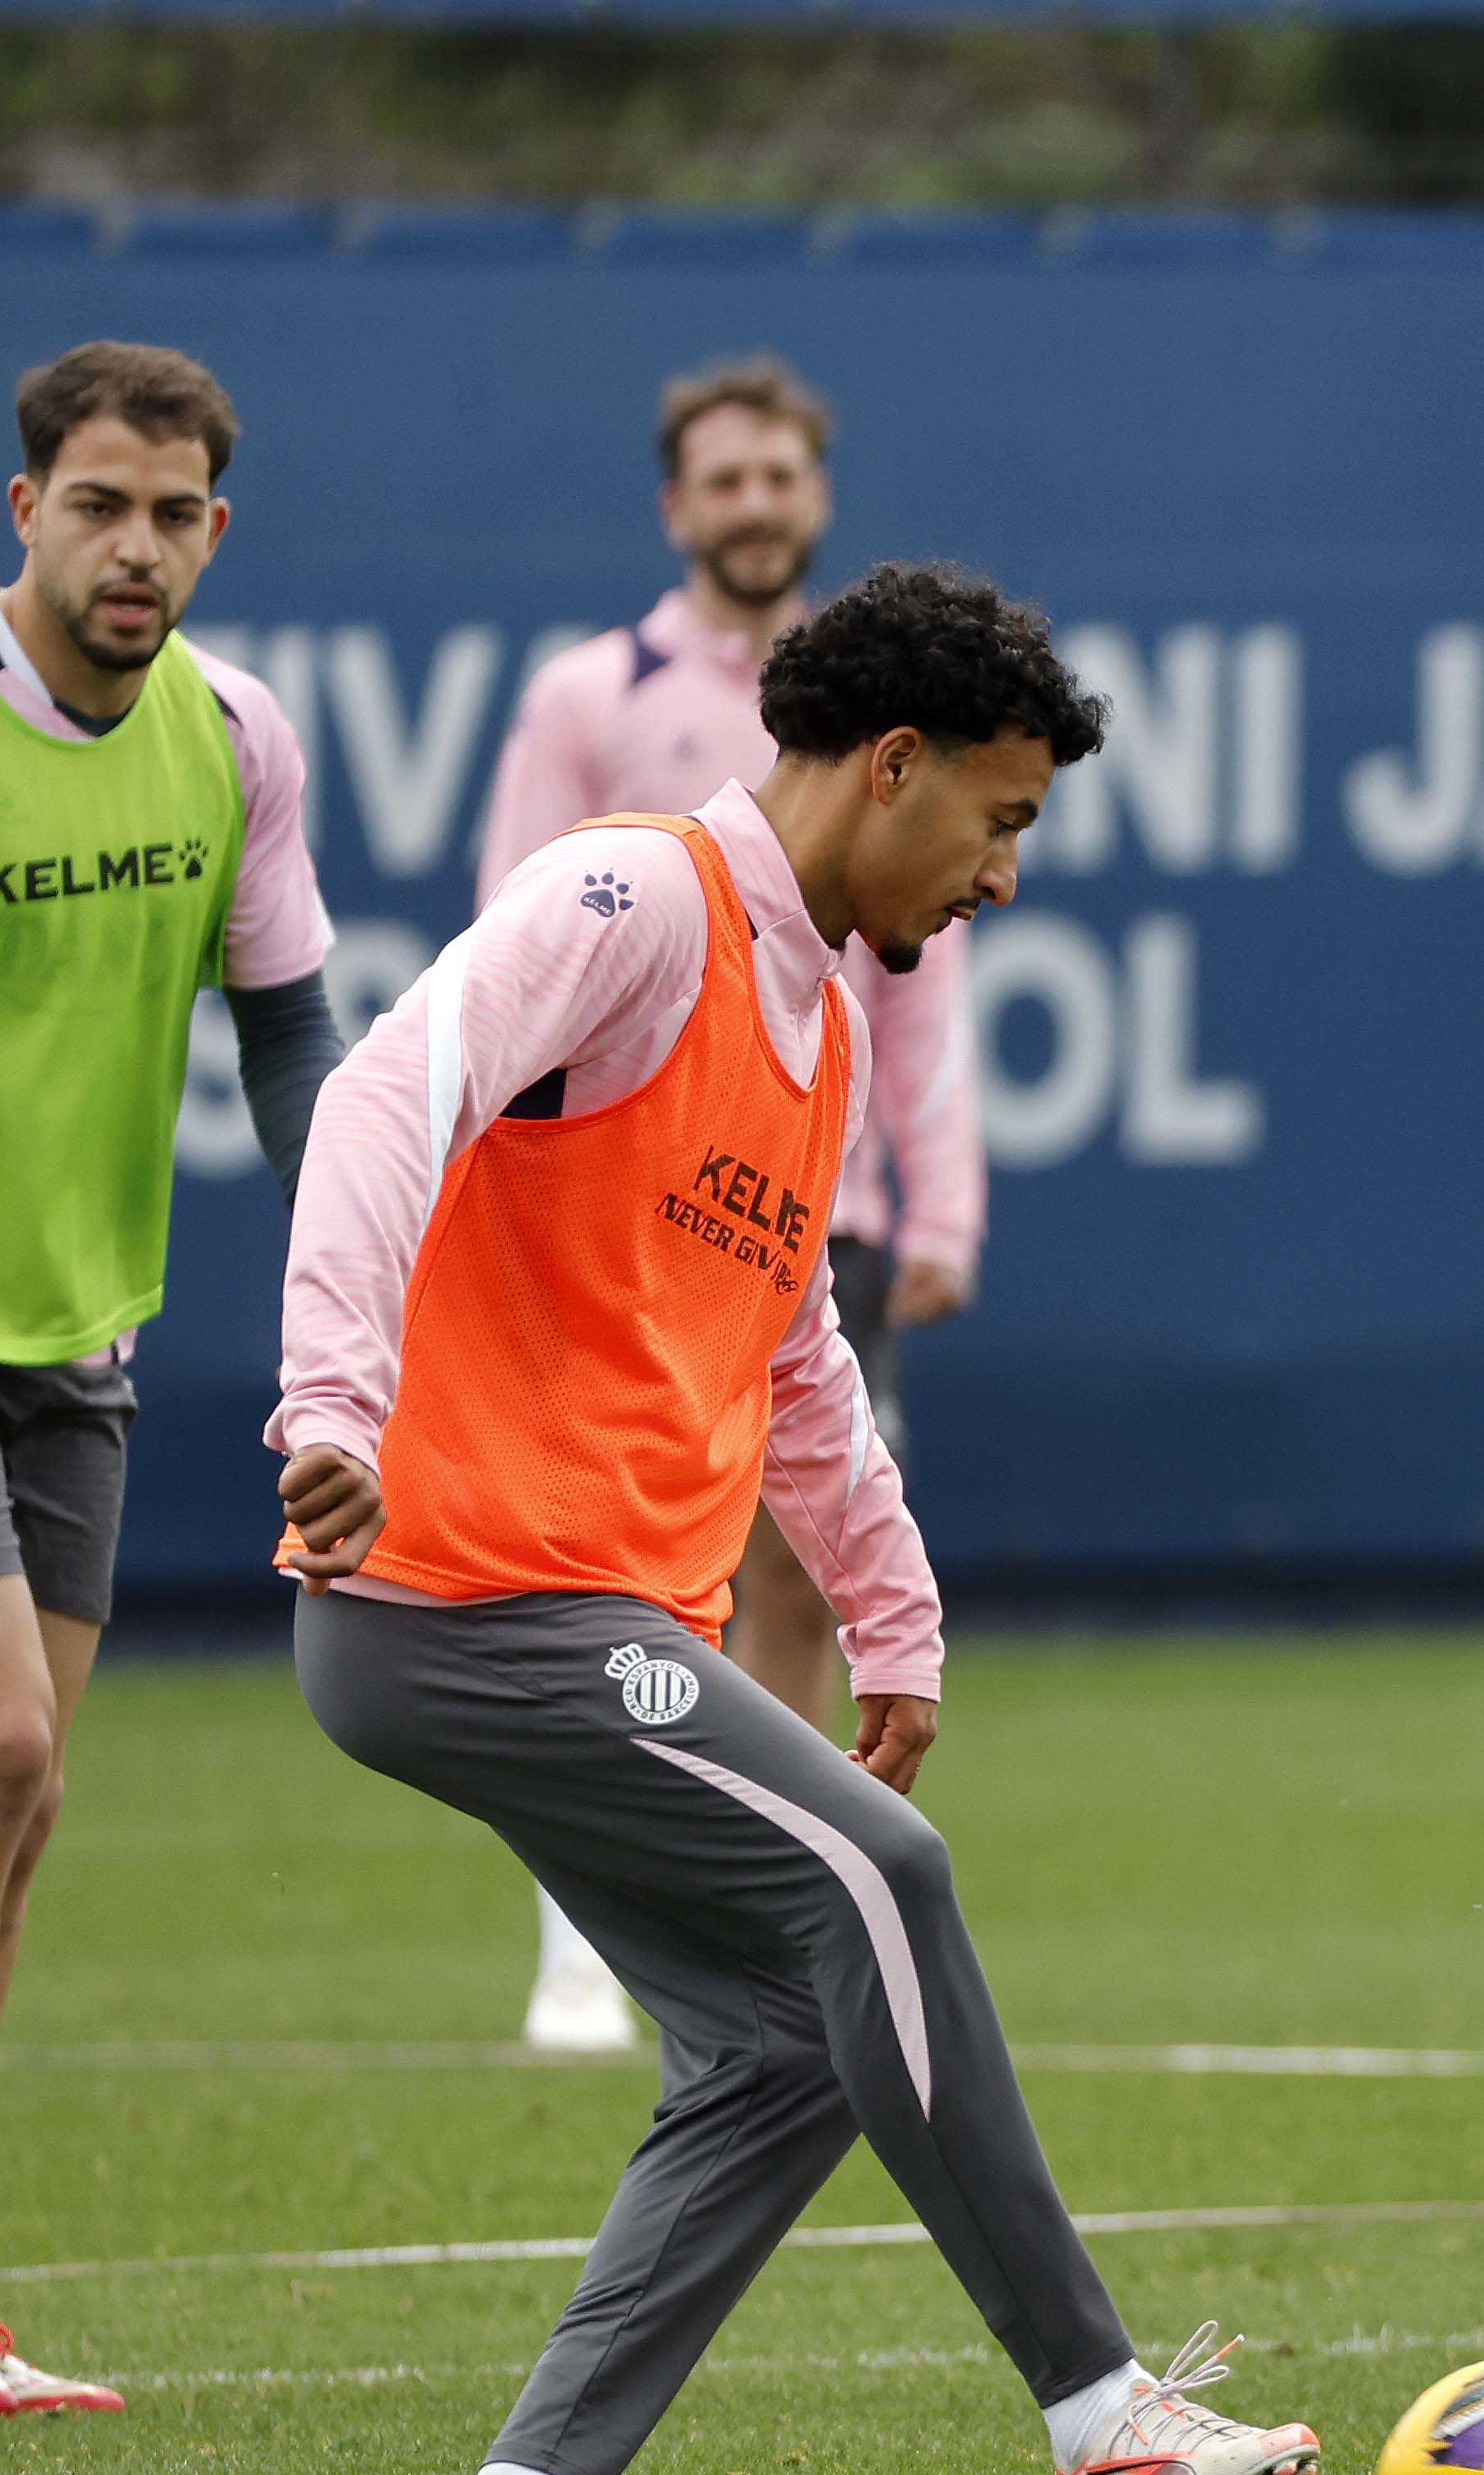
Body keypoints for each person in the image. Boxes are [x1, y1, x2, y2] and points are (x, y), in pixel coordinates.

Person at [273, 563, 1313, 2475]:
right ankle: (1104, 2415)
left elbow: (796, 1356)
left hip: (564, 1608)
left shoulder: (823, 1006)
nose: (1007, 875)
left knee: (780, 2047)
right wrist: (330, 1396)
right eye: (1001, 821)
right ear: (896, 764)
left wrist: (894, 1616)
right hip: (478, 1592)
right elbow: (396, 1083)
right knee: (884, 1880)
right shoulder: (635, 899)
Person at [0, 342, 343, 2424]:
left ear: (216, 533)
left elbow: (290, 1053)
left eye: (175, 517)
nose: (136, 550)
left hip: (77, 1339)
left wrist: (387, 1267)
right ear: (24, 514)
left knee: (11, 1808)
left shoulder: (234, 741)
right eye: (99, 506)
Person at [477, 355, 988, 2056]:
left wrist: (944, 1196)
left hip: (800, 1203)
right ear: (675, 505)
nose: (755, 502)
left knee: (788, 1559)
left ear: (814, 496)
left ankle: (747, 1878)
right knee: (613, 1556)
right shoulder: (588, 696)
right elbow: (518, 952)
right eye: (725, 478)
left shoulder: (879, 709)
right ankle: (581, 1928)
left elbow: (916, 983)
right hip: (613, 1196)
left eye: (780, 475)